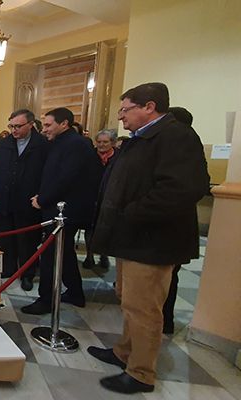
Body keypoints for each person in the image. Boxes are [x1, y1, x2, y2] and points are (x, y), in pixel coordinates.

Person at [87, 83, 209, 394]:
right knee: (129, 301)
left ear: (149, 107)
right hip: (132, 238)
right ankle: (124, 352)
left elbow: (183, 189)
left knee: (145, 309)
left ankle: (141, 372)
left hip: (152, 241)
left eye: (126, 109)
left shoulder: (176, 136)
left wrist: (133, 212)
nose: (121, 116)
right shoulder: (141, 140)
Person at [22, 107, 101, 315]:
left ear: (64, 123)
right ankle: (75, 292)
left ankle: (46, 300)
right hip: (59, 208)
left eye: (48, 125)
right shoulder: (62, 143)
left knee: (50, 255)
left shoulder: (75, 145)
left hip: (65, 211)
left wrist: (42, 199)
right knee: (64, 254)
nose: (44, 129)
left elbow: (65, 179)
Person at [0, 109, 50, 290]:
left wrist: (42, 196)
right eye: (11, 126)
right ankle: (8, 268)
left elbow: (47, 174)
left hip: (28, 203)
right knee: (6, 239)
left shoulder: (43, 145)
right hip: (4, 201)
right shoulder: (4, 144)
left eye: (18, 126)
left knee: (27, 241)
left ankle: (27, 273)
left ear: (30, 124)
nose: (14, 130)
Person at [160, 106, 195, 335]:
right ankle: (164, 319)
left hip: (171, 229)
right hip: (169, 229)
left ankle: (165, 320)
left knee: (168, 278)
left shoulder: (183, 147)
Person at [83, 129, 117, 270]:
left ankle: (104, 254)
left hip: (110, 198)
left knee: (107, 228)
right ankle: (89, 255)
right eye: (99, 142)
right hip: (91, 197)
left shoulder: (118, 157)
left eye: (105, 142)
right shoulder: (90, 156)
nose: (101, 145)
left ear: (112, 143)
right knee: (90, 228)